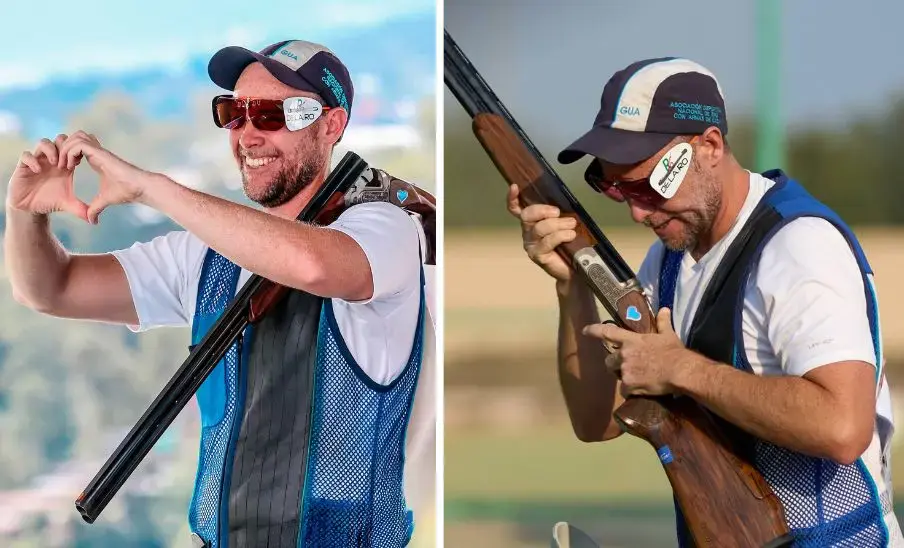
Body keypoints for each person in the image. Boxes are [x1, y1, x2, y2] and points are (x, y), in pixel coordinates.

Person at [5, 38, 435, 548]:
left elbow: (312, 264)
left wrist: (151, 187)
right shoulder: (208, 254)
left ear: (331, 125)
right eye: (234, 112)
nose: (249, 134)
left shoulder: (384, 230)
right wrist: (24, 214)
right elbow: (52, 289)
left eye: (275, 114)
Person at [507, 57, 903, 546]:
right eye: (613, 187)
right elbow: (598, 422)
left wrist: (681, 369)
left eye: (651, 184)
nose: (636, 211)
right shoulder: (668, 262)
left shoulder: (798, 246)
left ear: (710, 146)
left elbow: (843, 426)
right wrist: (572, 288)